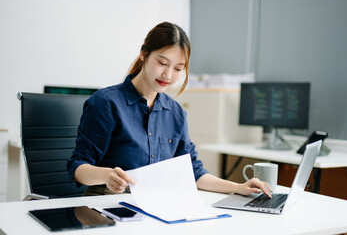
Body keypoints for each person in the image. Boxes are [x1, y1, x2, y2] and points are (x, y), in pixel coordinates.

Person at [67, 21, 272, 198]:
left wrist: (238, 187)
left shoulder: (175, 113)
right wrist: (107, 175)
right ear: (143, 54)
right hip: (105, 203)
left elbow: (193, 170)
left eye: (177, 68)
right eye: (162, 63)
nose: (168, 75)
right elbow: (78, 167)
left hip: (154, 204)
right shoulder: (106, 103)